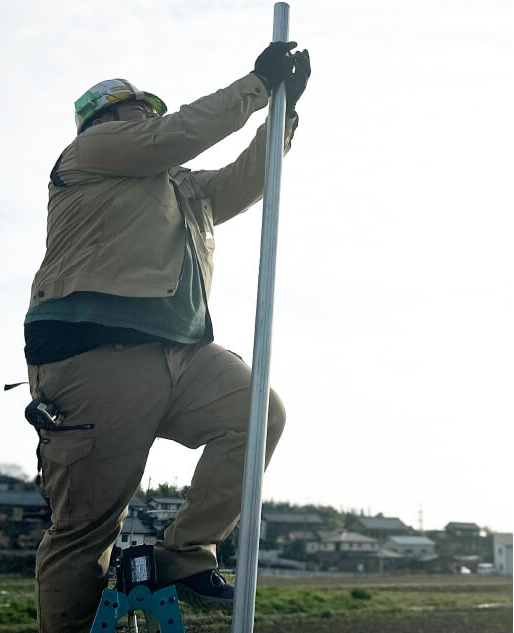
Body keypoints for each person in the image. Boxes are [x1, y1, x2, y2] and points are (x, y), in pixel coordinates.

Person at [24, 41, 311, 633]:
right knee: (84, 532)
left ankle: (184, 554)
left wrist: (282, 108)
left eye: (150, 109)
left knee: (257, 414)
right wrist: (256, 84)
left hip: (180, 353)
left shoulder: (182, 190)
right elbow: (175, 135)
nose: (148, 116)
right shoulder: (91, 153)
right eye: (136, 109)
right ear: (105, 118)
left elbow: (248, 179)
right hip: (94, 356)